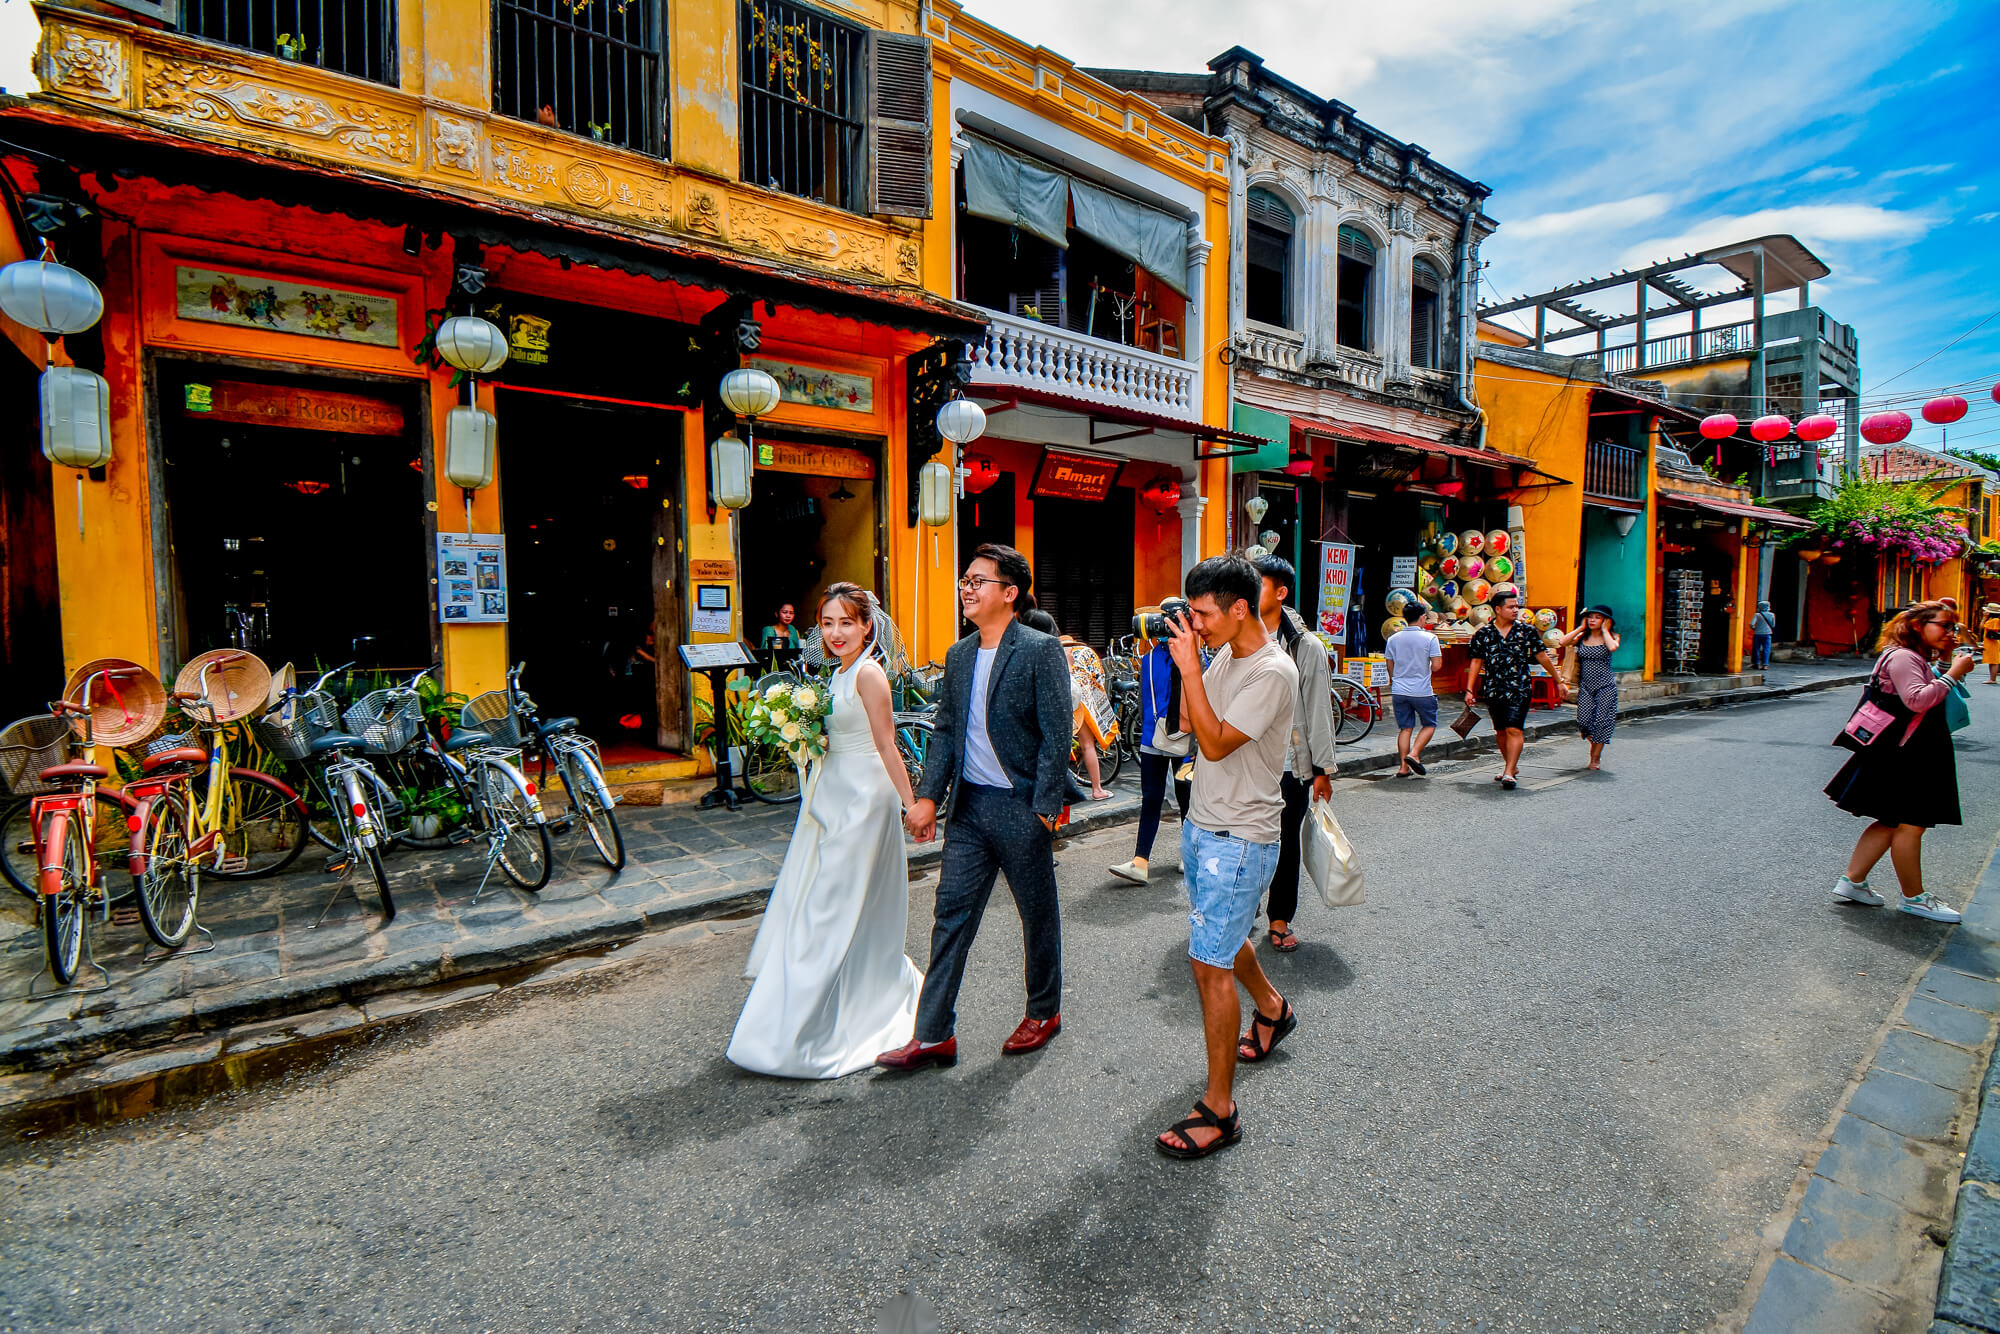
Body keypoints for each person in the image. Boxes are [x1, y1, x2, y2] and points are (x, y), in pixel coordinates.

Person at [876, 544, 1074, 1072]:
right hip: (969, 810)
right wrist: (927, 798)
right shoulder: (960, 654)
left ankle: (1044, 1011)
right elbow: (945, 731)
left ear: (1009, 593)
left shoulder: (1039, 649)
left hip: (1019, 807)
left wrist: (1044, 808)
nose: (966, 588)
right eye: (964, 580)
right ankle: (933, 1034)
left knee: (1037, 916)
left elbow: (1058, 734)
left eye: (977, 581)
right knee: (950, 916)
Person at [726, 584, 925, 1078]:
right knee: (825, 901)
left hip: (864, 798)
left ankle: (807, 1024)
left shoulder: (869, 674)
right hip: (831, 793)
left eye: (846, 623)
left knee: (830, 906)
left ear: (866, 626)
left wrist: (912, 806)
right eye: (828, 623)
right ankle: (825, 1002)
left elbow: (886, 745)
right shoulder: (834, 674)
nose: (837, 633)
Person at [1154, 555, 1298, 1161]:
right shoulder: (1223, 654)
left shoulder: (1273, 671)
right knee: (1222, 938)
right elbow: (1192, 722)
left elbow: (1214, 744)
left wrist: (1191, 664)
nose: (1196, 623)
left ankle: (1220, 1109)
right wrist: (1183, 663)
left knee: (1208, 962)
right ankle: (1272, 1008)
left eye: (1203, 614)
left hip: (1239, 838)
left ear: (1240, 608)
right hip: (1203, 825)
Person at [1827, 600, 1975, 923]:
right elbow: (1917, 699)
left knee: (1890, 821)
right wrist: (1953, 673)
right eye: (1944, 625)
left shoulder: (1909, 656)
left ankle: (1853, 880)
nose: (1950, 632)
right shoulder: (1904, 657)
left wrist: (1946, 660)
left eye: (1953, 627)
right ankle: (1914, 897)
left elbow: (1927, 686)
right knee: (1911, 824)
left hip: (1904, 749)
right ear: (1919, 626)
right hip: (1908, 753)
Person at [1252, 554, 1335, 953]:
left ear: (1281, 592)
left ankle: (1279, 916)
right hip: (1246, 760)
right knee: (1245, 839)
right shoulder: (1238, 636)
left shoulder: (1305, 646)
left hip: (1288, 764)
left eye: (1259, 585)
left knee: (1285, 843)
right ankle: (1244, 904)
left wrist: (1322, 769)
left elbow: (1319, 709)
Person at [1465, 588, 1568, 790]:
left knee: (1514, 728)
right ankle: (1510, 766)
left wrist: (1559, 680)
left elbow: (1542, 656)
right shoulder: (1484, 634)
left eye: (1517, 607)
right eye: (1511, 607)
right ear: (1498, 609)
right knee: (1500, 731)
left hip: (1519, 687)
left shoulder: (1526, 631)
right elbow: (1476, 661)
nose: (1515, 610)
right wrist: (1469, 690)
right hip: (1493, 688)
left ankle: (1509, 772)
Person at [1109, 628, 1183, 886]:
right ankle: (1151, 860)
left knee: (1166, 799)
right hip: (1171, 737)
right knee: (1174, 798)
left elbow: (1143, 703)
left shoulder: (1154, 658)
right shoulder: (1185, 655)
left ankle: (1149, 861)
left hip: (1159, 736)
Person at [1558, 605, 1621, 771]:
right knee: (1583, 722)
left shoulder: (1613, 636)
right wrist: (1580, 627)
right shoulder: (1582, 637)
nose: (1592, 620)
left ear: (1606, 621)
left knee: (1602, 721)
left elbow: (1612, 647)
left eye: (1597, 617)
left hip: (1605, 686)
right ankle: (1596, 743)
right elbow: (1562, 642)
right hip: (1585, 686)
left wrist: (1605, 630)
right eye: (1590, 617)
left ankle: (1595, 758)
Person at [1059, 628, 1119, 802]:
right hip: (1081, 704)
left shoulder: (1055, 659)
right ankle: (1097, 789)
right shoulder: (1082, 657)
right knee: (1087, 745)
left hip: (1066, 705)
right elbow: (1099, 676)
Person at [1383, 612, 1443, 779]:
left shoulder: (1393, 639)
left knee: (1405, 728)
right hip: (1422, 690)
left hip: (1399, 690)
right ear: (1422, 617)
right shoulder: (1430, 638)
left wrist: (1396, 680)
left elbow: (1389, 665)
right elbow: (1437, 666)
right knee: (1429, 724)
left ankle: (1403, 767)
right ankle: (1414, 753)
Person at [1751, 600, 1777, 670]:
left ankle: (1756, 664)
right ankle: (1765, 665)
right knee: (1766, 649)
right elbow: (1773, 625)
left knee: (1756, 649)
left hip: (1757, 634)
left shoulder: (1757, 615)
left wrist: (1754, 628)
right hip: (1767, 634)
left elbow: (1751, 624)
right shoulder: (1772, 615)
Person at [1981, 603, 2000, 685]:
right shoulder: (1994, 620)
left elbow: (1982, 626)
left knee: (1993, 661)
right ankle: (1992, 678)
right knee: (1991, 661)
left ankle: (1993, 679)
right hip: (1990, 643)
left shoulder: (1994, 620)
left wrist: (1984, 617)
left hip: (1992, 643)